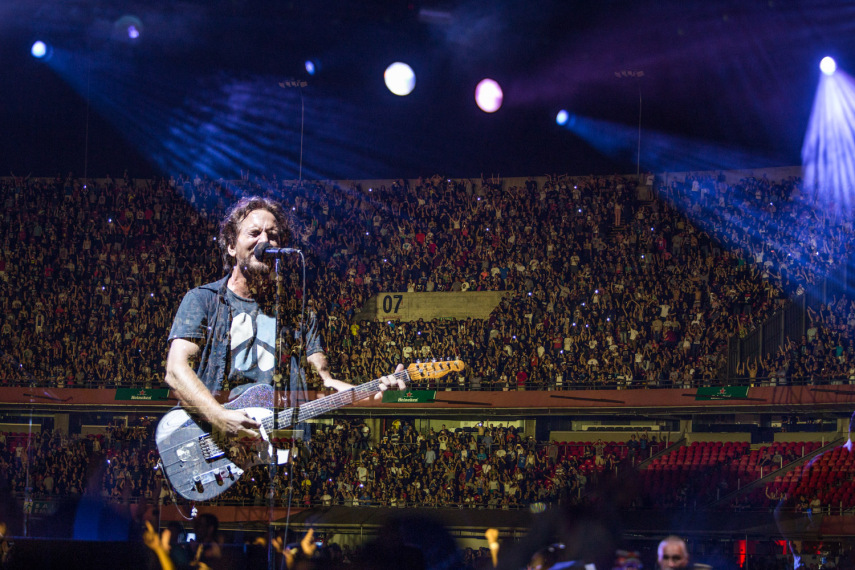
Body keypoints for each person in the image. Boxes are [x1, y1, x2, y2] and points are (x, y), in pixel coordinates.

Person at [165, 196, 405, 440]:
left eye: (273, 235)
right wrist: (219, 417)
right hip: (215, 446)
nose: (265, 241)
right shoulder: (203, 300)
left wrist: (375, 392)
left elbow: (324, 385)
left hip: (275, 452)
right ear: (231, 246)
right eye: (254, 233)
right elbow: (175, 370)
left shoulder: (298, 314)